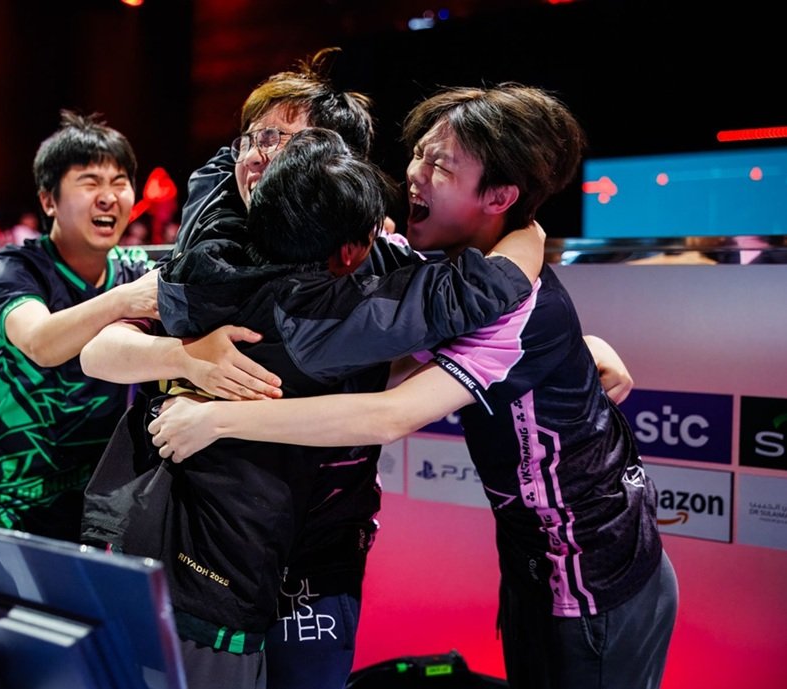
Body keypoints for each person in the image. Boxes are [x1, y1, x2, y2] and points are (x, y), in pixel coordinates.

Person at [148, 84, 677, 689]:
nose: (415, 176)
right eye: (418, 154)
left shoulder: (505, 301)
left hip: (595, 567)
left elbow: (389, 414)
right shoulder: (417, 264)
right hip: (530, 559)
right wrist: (184, 357)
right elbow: (106, 342)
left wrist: (215, 419)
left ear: (499, 196)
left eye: (440, 166)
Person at [82, 48, 540, 689]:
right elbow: (97, 352)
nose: (257, 156)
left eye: (280, 141)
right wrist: (186, 357)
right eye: (252, 138)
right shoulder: (213, 256)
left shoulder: (371, 263)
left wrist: (211, 411)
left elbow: (443, 330)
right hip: (205, 548)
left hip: (318, 552)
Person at [0, 110, 159, 542]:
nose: (109, 196)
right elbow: (40, 343)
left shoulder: (134, 268)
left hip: (92, 497)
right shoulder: (15, 267)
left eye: (119, 182)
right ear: (48, 201)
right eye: (90, 182)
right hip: (3, 500)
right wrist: (123, 299)